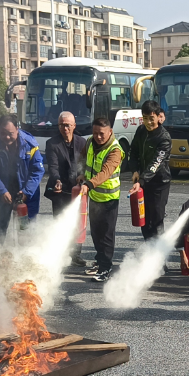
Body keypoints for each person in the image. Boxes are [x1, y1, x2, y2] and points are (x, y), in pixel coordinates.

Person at [0, 115, 44, 241]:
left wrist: (26, 192)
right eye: (3, 133)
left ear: (17, 129)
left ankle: (25, 258)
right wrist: (1, 191)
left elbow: (37, 170)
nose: (7, 137)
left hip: (26, 193)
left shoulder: (30, 144)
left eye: (10, 133)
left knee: (25, 229)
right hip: (2, 193)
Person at [78, 117, 124, 282]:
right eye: (95, 133)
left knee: (106, 235)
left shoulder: (115, 150)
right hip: (94, 196)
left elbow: (106, 172)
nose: (98, 137)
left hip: (109, 199)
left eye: (102, 134)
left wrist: (89, 184)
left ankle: (106, 269)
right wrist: (81, 173)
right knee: (96, 233)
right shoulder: (90, 141)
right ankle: (99, 262)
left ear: (110, 131)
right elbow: (82, 158)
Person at [44, 111, 87, 267]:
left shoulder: (83, 142)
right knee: (60, 222)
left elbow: (86, 164)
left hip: (78, 189)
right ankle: (62, 254)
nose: (64, 128)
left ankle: (76, 255)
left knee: (78, 223)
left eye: (68, 125)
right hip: (60, 191)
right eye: (61, 125)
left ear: (74, 126)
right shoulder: (52, 144)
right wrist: (57, 180)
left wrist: (83, 179)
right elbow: (53, 167)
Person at [129, 100, 172, 240]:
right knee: (144, 220)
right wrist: (135, 170)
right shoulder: (141, 130)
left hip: (159, 184)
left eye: (151, 118)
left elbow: (156, 163)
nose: (148, 122)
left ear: (159, 117)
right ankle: (149, 254)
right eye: (145, 118)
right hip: (143, 183)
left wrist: (141, 180)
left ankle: (160, 258)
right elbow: (133, 151)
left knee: (157, 221)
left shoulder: (164, 138)